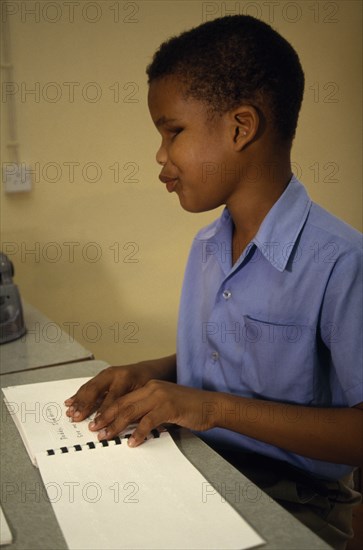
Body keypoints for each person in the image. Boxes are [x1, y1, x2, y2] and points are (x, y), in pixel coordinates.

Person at [65, 15, 362, 549]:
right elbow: (239, 356)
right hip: (197, 462)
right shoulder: (206, 247)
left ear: (240, 127)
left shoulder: (340, 261)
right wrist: (153, 373)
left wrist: (208, 408)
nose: (160, 156)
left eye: (172, 131)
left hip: (294, 498)